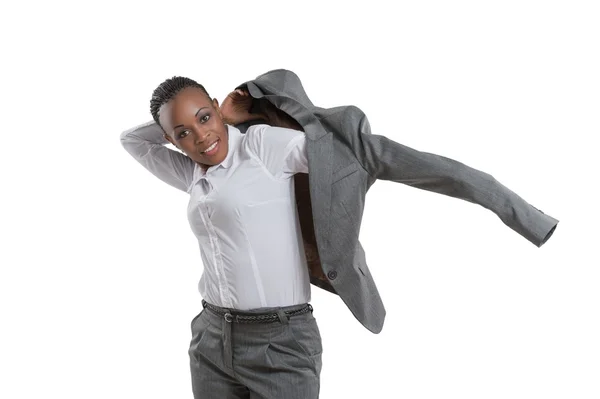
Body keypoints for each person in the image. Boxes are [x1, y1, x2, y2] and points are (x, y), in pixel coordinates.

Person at [120, 76, 323, 399]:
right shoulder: (191, 173)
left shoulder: (261, 147)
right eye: (183, 133)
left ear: (217, 107)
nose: (201, 137)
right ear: (170, 139)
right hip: (212, 339)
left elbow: (336, 155)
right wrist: (179, 120)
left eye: (204, 117)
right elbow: (131, 139)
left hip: (281, 340)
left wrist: (232, 116)